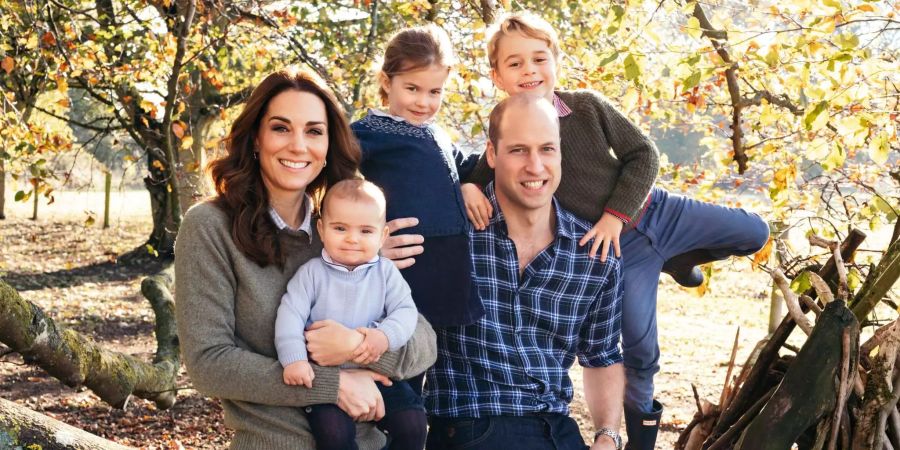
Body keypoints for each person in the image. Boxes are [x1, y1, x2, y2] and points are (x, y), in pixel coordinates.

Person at [461, 13, 770, 449]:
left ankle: (683, 260)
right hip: (619, 253)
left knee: (755, 231)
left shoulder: (585, 106)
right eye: (514, 64)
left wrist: (614, 214)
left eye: (538, 58)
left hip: (656, 211)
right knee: (640, 351)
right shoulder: (508, 128)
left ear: (555, 62)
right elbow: (481, 171)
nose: (529, 70)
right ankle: (639, 443)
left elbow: (643, 154)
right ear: (497, 76)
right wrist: (467, 187)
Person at [174, 67, 437, 450]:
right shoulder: (210, 227)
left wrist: (358, 345)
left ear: (330, 145)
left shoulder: (344, 231)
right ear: (256, 139)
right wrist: (333, 384)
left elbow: (424, 340)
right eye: (281, 128)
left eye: (314, 131)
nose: (298, 145)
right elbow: (209, 363)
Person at [425, 94, 626, 450]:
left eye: (547, 149)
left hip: (556, 430)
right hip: (473, 423)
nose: (536, 166)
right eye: (518, 150)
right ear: (492, 153)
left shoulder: (594, 255)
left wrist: (607, 436)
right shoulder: (450, 235)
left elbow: (602, 355)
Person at [352, 24, 485, 336]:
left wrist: (470, 184)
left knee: (437, 366)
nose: (424, 102)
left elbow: (468, 167)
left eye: (435, 92)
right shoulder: (368, 132)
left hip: (450, 272)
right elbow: (331, 183)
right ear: (387, 81)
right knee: (399, 365)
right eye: (412, 89)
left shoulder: (437, 133)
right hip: (409, 270)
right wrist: (366, 243)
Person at [275, 179, 426, 450]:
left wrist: (384, 337)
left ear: (383, 235)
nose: (352, 239)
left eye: (366, 230)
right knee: (334, 435)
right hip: (327, 378)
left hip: (375, 373)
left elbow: (405, 311)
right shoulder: (311, 273)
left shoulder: (386, 273)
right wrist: (294, 359)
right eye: (340, 228)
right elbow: (290, 315)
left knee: (413, 424)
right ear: (321, 229)